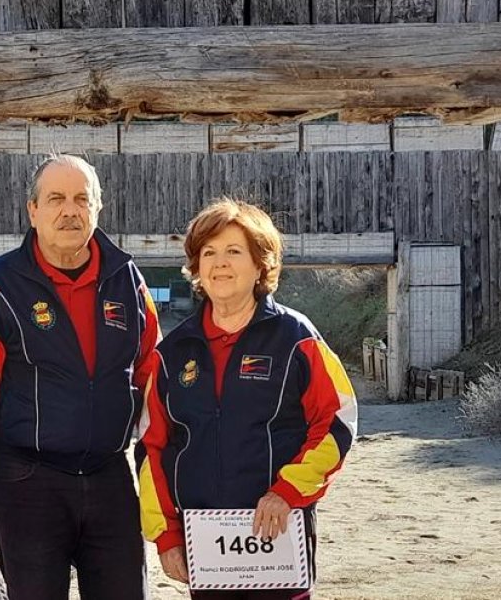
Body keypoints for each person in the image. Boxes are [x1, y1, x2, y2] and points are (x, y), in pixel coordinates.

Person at [0, 155, 159, 600]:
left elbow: (154, 383)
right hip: (26, 483)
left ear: (98, 209)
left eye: (82, 199)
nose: (70, 211)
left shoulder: (129, 281)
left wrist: (165, 485)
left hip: (109, 477)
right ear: (33, 211)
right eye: (56, 199)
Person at [138, 199, 358, 600]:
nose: (220, 263)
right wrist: (165, 534)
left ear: (260, 264)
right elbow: (151, 449)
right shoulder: (170, 354)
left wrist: (287, 492)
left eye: (234, 251)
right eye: (209, 253)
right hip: (205, 545)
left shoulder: (298, 339)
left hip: (278, 539)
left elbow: (337, 422)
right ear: (197, 268)